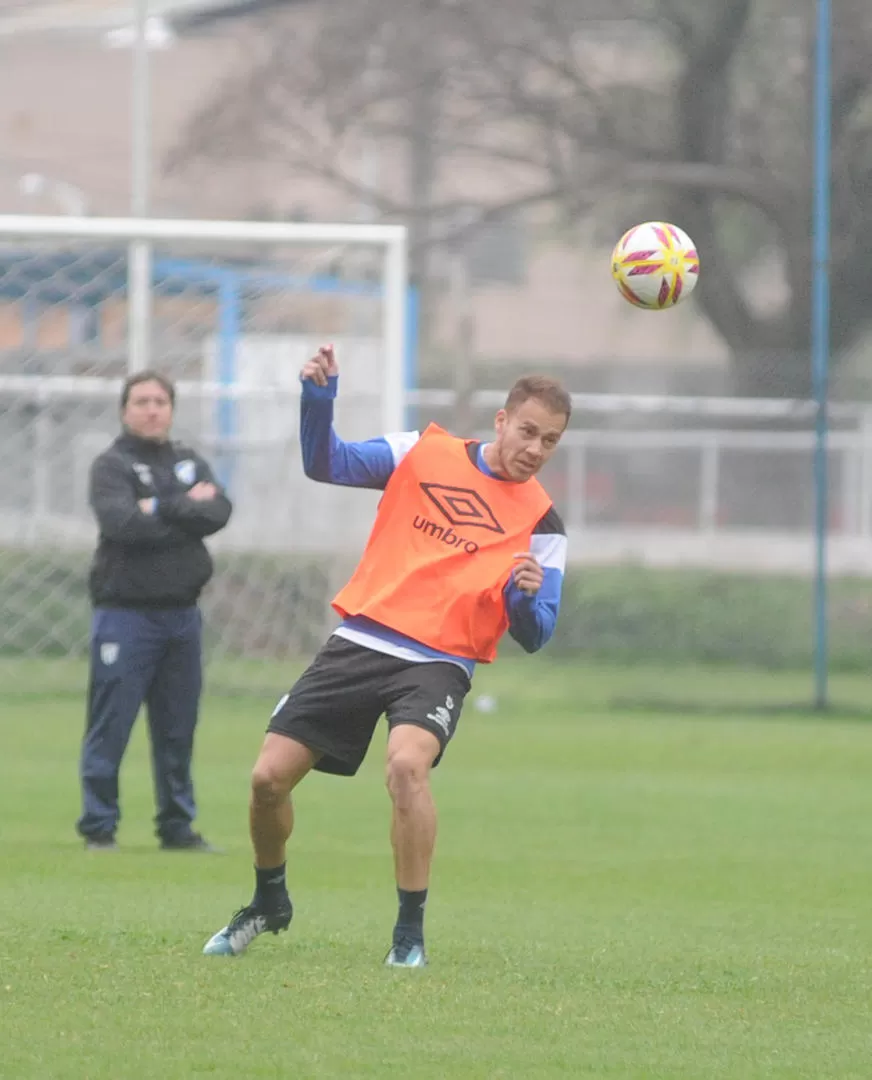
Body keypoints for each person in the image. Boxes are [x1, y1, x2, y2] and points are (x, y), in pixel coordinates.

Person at [203, 345, 569, 966]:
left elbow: (537, 633)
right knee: (267, 779)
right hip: (362, 638)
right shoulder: (421, 452)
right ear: (502, 421)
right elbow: (328, 463)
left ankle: (408, 935)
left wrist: (521, 598)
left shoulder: (544, 525)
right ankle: (269, 902)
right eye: (529, 431)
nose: (535, 448)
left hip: (439, 661)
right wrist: (318, 399)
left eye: (551, 441)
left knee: (406, 768)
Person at [76, 370, 232, 852]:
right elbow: (122, 524)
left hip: (182, 617)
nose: (151, 409)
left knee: (178, 727)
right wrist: (183, 509)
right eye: (141, 401)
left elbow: (220, 511)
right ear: (125, 409)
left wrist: (157, 508)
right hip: (126, 616)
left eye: (160, 401)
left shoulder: (187, 460)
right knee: (112, 723)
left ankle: (177, 826)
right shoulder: (112, 465)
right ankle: (99, 826)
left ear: (171, 408)